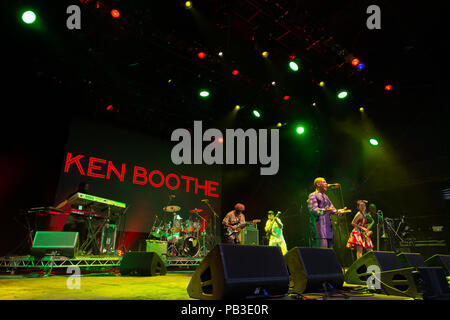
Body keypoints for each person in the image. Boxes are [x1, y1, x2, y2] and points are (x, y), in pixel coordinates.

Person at [307, 177, 348, 248]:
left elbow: (332, 209)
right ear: (318, 184)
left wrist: (339, 211)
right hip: (320, 229)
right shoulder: (313, 195)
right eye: (324, 182)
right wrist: (323, 210)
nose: (326, 184)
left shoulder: (326, 197)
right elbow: (313, 209)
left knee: (330, 251)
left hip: (328, 229)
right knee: (323, 252)